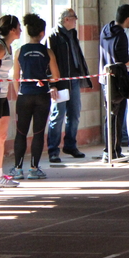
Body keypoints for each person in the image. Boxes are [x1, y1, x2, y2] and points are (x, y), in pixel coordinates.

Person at [10, 14, 61, 180]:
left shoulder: (19, 51)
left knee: (21, 132)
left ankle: (17, 169)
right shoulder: (47, 52)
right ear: (42, 33)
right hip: (42, 96)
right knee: (38, 132)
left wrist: (20, 92)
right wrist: (44, 79)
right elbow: (56, 77)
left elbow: (16, 77)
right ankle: (34, 168)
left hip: (24, 95)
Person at [47, 9, 91, 163]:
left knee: (74, 114)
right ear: (66, 19)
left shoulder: (72, 34)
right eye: (74, 18)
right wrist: (52, 83)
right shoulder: (53, 36)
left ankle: (70, 145)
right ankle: (53, 149)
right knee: (58, 115)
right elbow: (49, 60)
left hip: (74, 79)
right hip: (60, 82)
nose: (76, 20)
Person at [99, 4, 129, 162]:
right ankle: (113, 150)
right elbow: (122, 60)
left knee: (110, 114)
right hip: (117, 80)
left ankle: (110, 149)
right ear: (128, 19)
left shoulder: (105, 30)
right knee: (117, 114)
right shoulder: (121, 35)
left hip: (104, 78)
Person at [0, 16, 21, 188]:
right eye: (19, 27)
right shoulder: (0, 47)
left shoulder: (10, 47)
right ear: (12, 29)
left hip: (3, 96)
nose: (21, 30)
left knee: (2, 136)